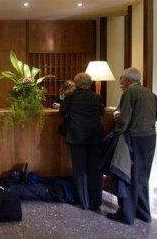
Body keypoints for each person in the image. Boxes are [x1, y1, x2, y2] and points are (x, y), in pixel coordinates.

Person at [107, 68, 157, 225]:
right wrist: (148, 121)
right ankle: (144, 214)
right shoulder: (148, 92)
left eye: (121, 80)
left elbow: (124, 120)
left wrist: (116, 116)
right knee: (142, 177)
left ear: (127, 80)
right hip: (149, 138)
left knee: (129, 175)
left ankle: (126, 215)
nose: (120, 84)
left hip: (133, 138)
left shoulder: (129, 93)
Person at [60, 72, 105, 210]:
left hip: (77, 136)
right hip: (95, 136)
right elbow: (101, 112)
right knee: (95, 170)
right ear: (90, 83)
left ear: (76, 83)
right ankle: (95, 202)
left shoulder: (70, 96)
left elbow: (62, 111)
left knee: (80, 170)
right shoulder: (96, 97)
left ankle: (84, 202)